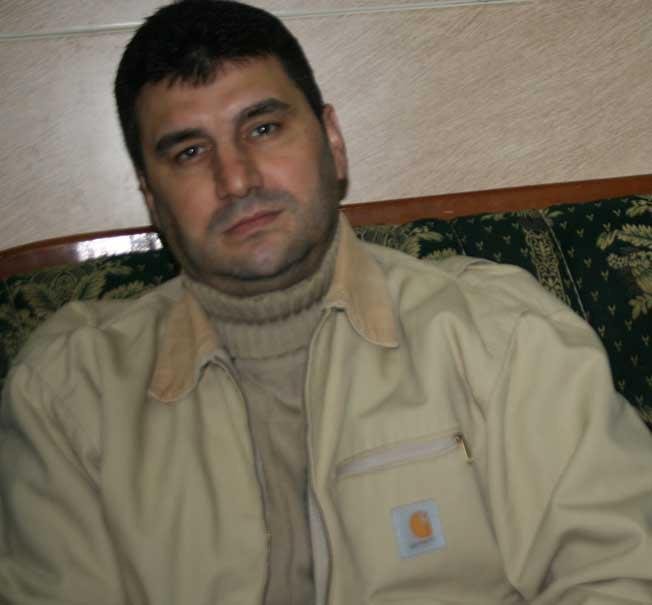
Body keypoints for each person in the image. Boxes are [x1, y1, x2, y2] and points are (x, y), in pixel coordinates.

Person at [1, 1, 651, 603]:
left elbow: (621, 576)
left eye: (263, 128)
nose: (237, 179)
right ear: (151, 196)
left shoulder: (501, 333)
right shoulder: (68, 394)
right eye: (191, 151)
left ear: (332, 142)